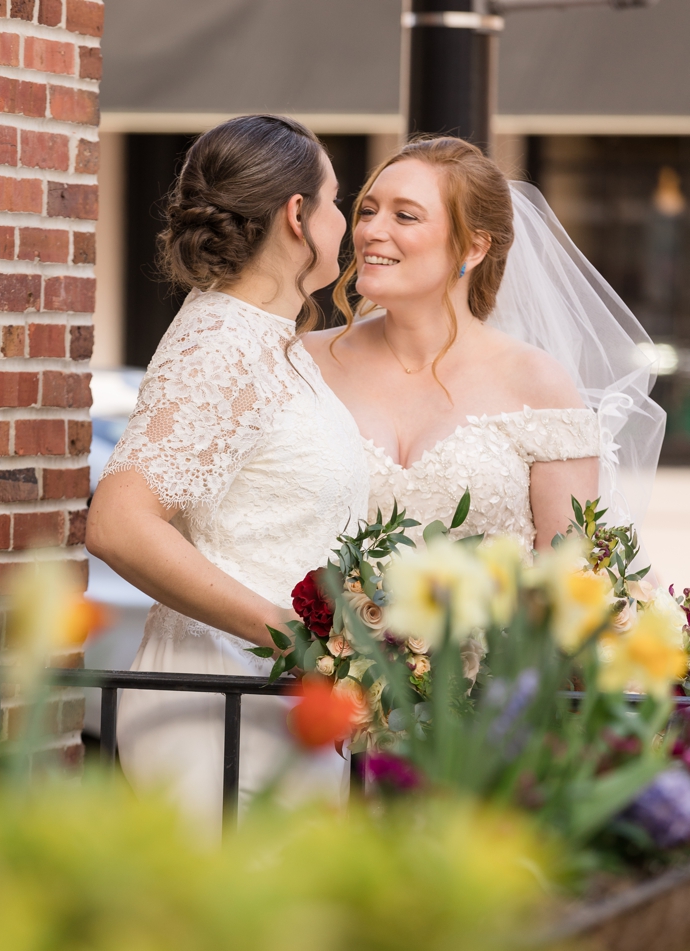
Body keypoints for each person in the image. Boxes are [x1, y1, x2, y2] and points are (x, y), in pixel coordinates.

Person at [85, 115, 369, 834]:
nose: (346, 224)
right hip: (221, 703)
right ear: (297, 215)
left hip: (277, 704)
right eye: (337, 202)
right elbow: (119, 523)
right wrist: (293, 641)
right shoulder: (222, 343)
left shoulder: (274, 341)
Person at [304, 137, 664, 545]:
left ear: (474, 248)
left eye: (404, 216)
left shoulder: (537, 382)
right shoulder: (303, 363)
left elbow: (569, 571)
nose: (371, 230)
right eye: (368, 211)